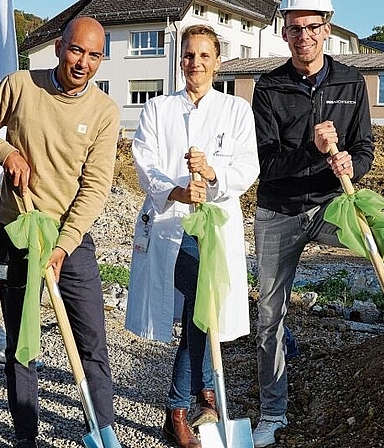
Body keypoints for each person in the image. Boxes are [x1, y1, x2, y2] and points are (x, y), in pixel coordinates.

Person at [250, 1, 384, 446]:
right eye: (293, 29)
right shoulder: (269, 87)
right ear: (284, 35)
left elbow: (364, 148)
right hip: (279, 210)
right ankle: (272, 412)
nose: (302, 36)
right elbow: (265, 164)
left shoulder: (350, 81)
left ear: (326, 30)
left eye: (310, 27)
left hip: (330, 204)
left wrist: (350, 163)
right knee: (270, 316)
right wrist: (313, 147)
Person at [0, 16, 119, 448]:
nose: (84, 63)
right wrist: (6, 153)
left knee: (91, 338)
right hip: (16, 234)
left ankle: (101, 428)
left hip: (69, 241)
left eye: (94, 55)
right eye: (77, 50)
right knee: (22, 338)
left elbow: (95, 187)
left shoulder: (104, 112)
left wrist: (62, 246)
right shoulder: (20, 85)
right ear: (59, 47)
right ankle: (25, 435)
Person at [125, 24, 260, 448]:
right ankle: (180, 406)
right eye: (188, 55)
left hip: (215, 224)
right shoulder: (158, 109)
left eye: (204, 56)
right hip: (171, 224)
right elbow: (144, 161)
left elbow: (247, 167)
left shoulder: (236, 110)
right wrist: (179, 189)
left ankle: (193, 394)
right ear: (179, 60)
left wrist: (212, 174)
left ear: (218, 61)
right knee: (198, 314)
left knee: (205, 313)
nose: (195, 64)